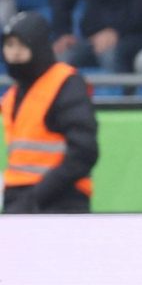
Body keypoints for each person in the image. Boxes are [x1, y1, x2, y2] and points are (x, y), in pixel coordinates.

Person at [1, 11, 96, 214]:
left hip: (61, 201)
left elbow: (84, 152)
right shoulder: (12, 95)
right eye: (9, 45)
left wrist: (36, 197)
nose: (15, 52)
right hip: (21, 201)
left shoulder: (66, 83)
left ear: (39, 45)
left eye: (22, 44)